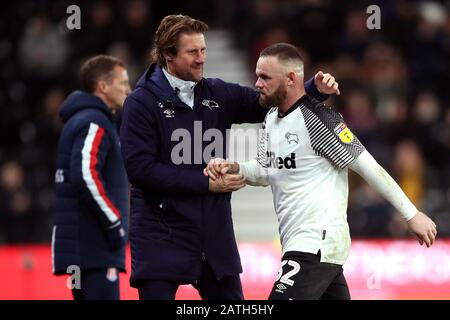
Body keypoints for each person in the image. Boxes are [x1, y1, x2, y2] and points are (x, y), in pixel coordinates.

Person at [119, 14, 340, 300]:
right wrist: (206, 184)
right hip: (161, 234)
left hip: (212, 235)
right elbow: (140, 170)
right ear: (167, 55)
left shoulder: (216, 92)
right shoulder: (140, 103)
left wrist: (311, 89)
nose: (201, 59)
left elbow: (263, 105)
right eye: (192, 52)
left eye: (203, 50)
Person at [204, 43, 438, 300]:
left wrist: (411, 214)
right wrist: (235, 167)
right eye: (258, 75)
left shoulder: (319, 119)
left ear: (291, 78)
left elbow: (366, 164)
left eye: (265, 77)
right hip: (309, 248)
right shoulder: (271, 118)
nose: (257, 83)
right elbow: (265, 170)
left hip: (314, 244)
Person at [52, 55, 131, 300]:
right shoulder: (95, 122)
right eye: (123, 83)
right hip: (94, 249)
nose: (128, 90)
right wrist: (114, 223)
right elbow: (85, 174)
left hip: (84, 250)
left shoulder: (87, 119)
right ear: (103, 86)